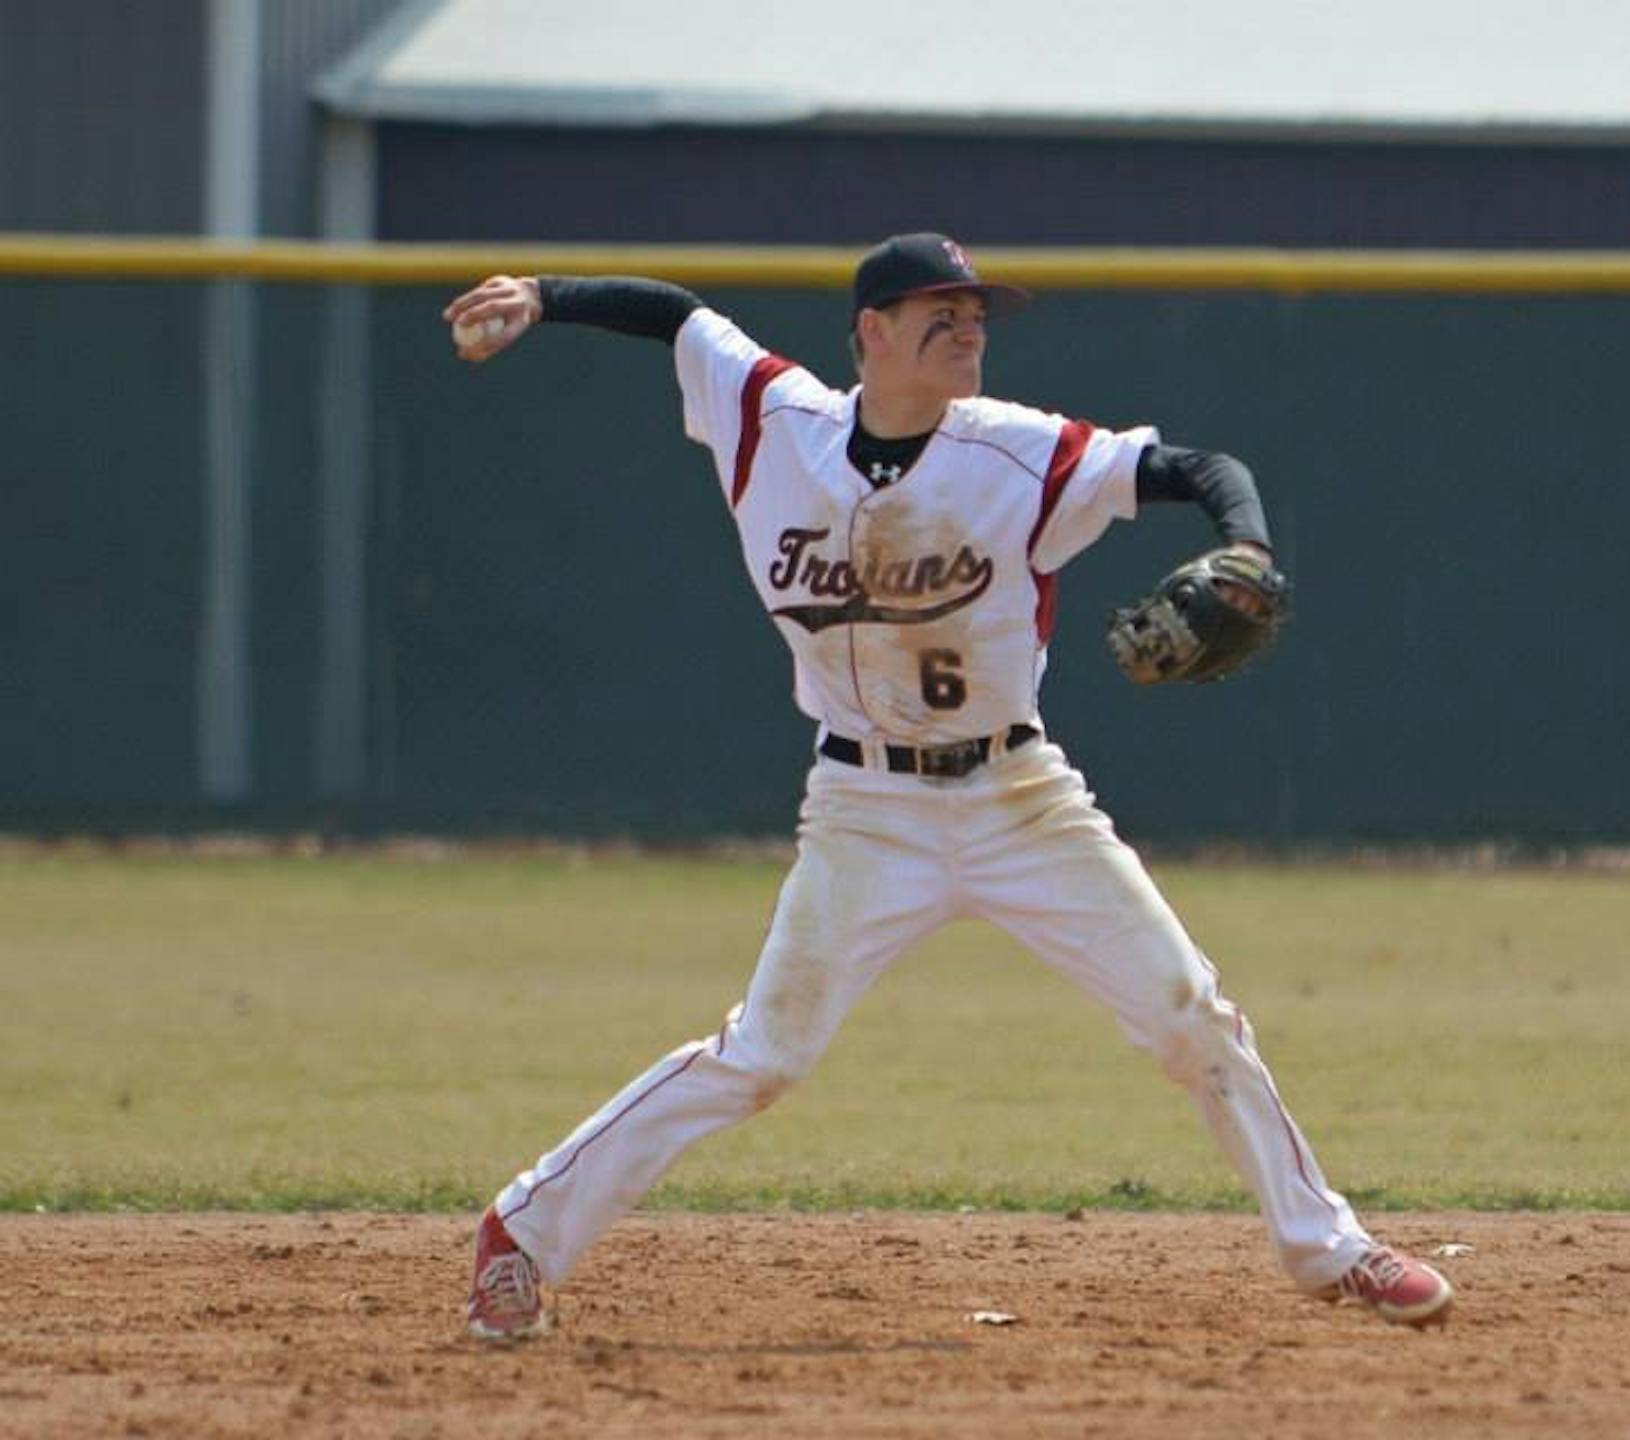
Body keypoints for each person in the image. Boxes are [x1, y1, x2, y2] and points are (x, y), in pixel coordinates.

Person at [443, 233, 1452, 1340]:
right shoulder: (775, 421)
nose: (971, 325)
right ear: (871, 333)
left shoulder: (1018, 453)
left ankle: (1332, 1249)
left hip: (1020, 799)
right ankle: (522, 1233)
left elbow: (1202, 471)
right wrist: (539, 296)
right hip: (863, 811)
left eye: (978, 312)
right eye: (942, 308)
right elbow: (676, 313)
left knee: (1189, 1012)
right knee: (764, 1055)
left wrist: (1247, 545)